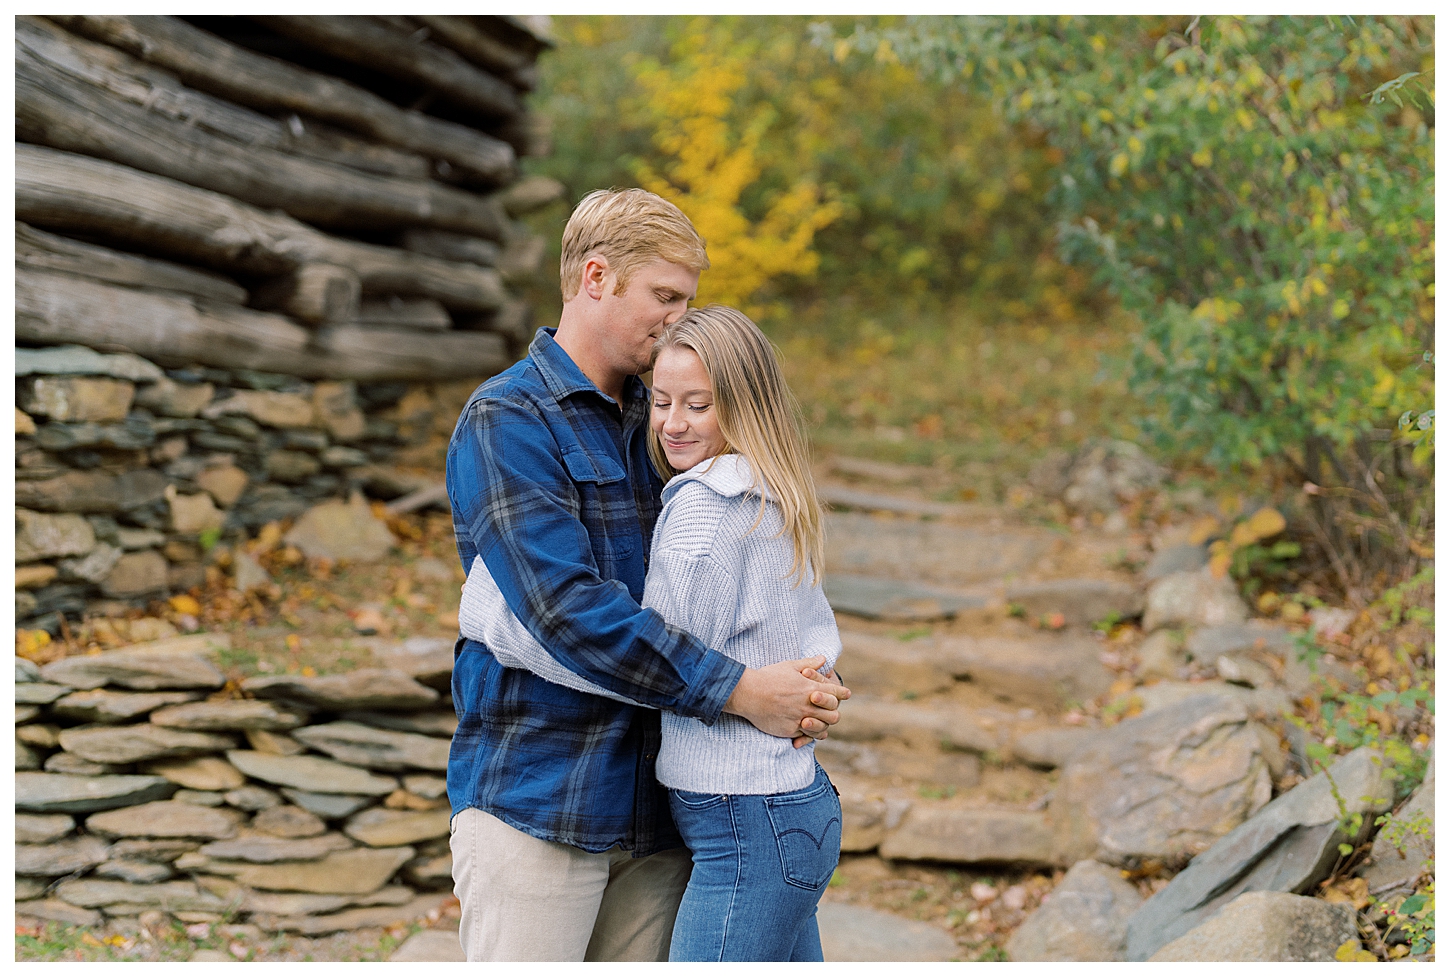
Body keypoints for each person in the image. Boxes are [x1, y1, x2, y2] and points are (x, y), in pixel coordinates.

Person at [445, 188, 850, 962]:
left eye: (686, 299)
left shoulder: (668, 419)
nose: (677, 317)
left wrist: (801, 673)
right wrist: (741, 688)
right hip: (542, 802)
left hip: (668, 814)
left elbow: (746, 577)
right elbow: (565, 614)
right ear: (596, 277)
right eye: (665, 296)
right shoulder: (509, 419)